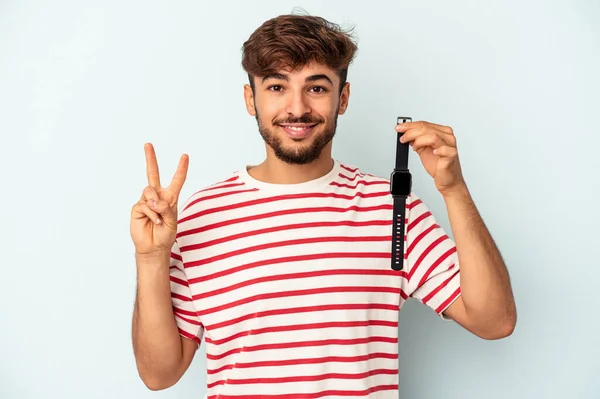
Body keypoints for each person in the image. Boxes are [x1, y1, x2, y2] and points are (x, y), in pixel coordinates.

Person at [130, 13, 516, 397]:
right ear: (251, 99)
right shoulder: (203, 214)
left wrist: (454, 189)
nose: (297, 108)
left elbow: (494, 321)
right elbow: (159, 374)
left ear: (342, 98)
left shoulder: (391, 208)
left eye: (316, 88)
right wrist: (150, 259)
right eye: (277, 87)